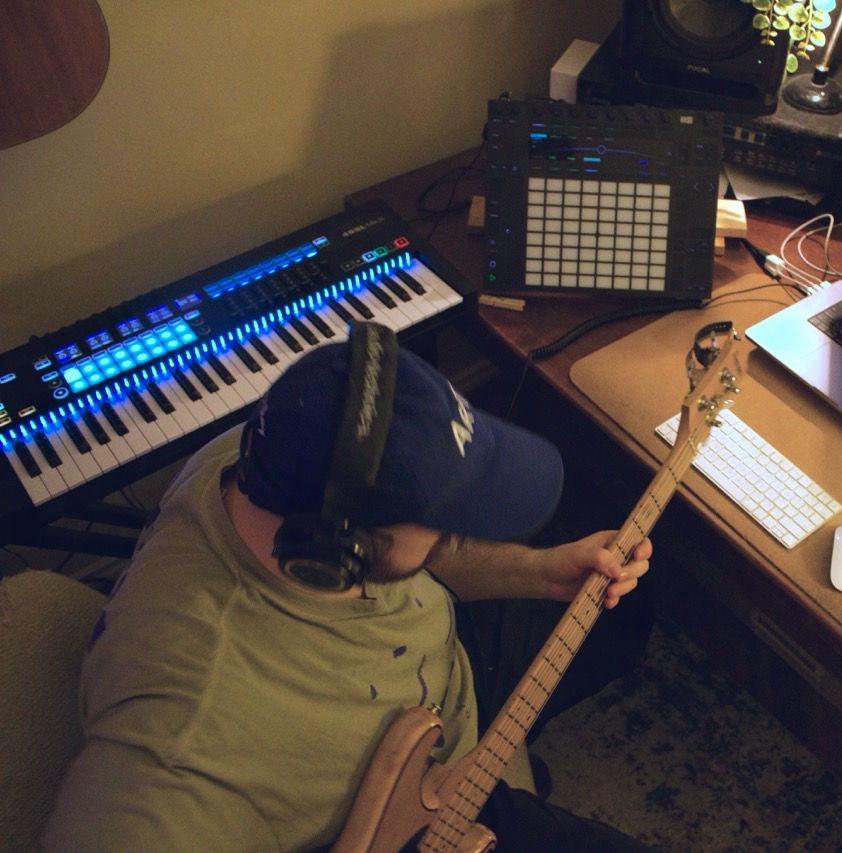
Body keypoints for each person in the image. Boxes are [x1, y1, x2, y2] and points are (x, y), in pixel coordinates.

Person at [42, 322, 655, 851]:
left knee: (627, 616)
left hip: (432, 690)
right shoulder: (185, 751)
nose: (455, 531)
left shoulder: (271, 454)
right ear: (339, 551)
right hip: (403, 814)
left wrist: (538, 571)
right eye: (442, 520)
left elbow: (425, 554)